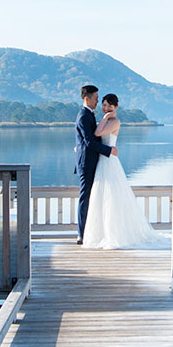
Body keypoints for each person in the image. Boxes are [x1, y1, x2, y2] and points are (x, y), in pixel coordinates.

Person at [82, 93, 166, 250]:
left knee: (112, 196)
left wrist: (107, 117)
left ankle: (115, 233)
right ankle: (101, 233)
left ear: (115, 108)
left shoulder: (115, 122)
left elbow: (97, 134)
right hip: (102, 160)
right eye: (104, 105)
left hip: (109, 161)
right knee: (101, 196)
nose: (106, 108)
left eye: (109, 106)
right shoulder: (105, 120)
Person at [72, 85, 116, 244]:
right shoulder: (83, 115)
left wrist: (78, 145)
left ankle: (94, 231)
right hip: (86, 163)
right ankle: (81, 234)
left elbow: (87, 138)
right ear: (87, 98)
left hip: (94, 161)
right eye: (96, 98)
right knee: (85, 197)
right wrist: (109, 150)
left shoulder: (89, 114)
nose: (98, 101)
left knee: (95, 197)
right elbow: (89, 141)